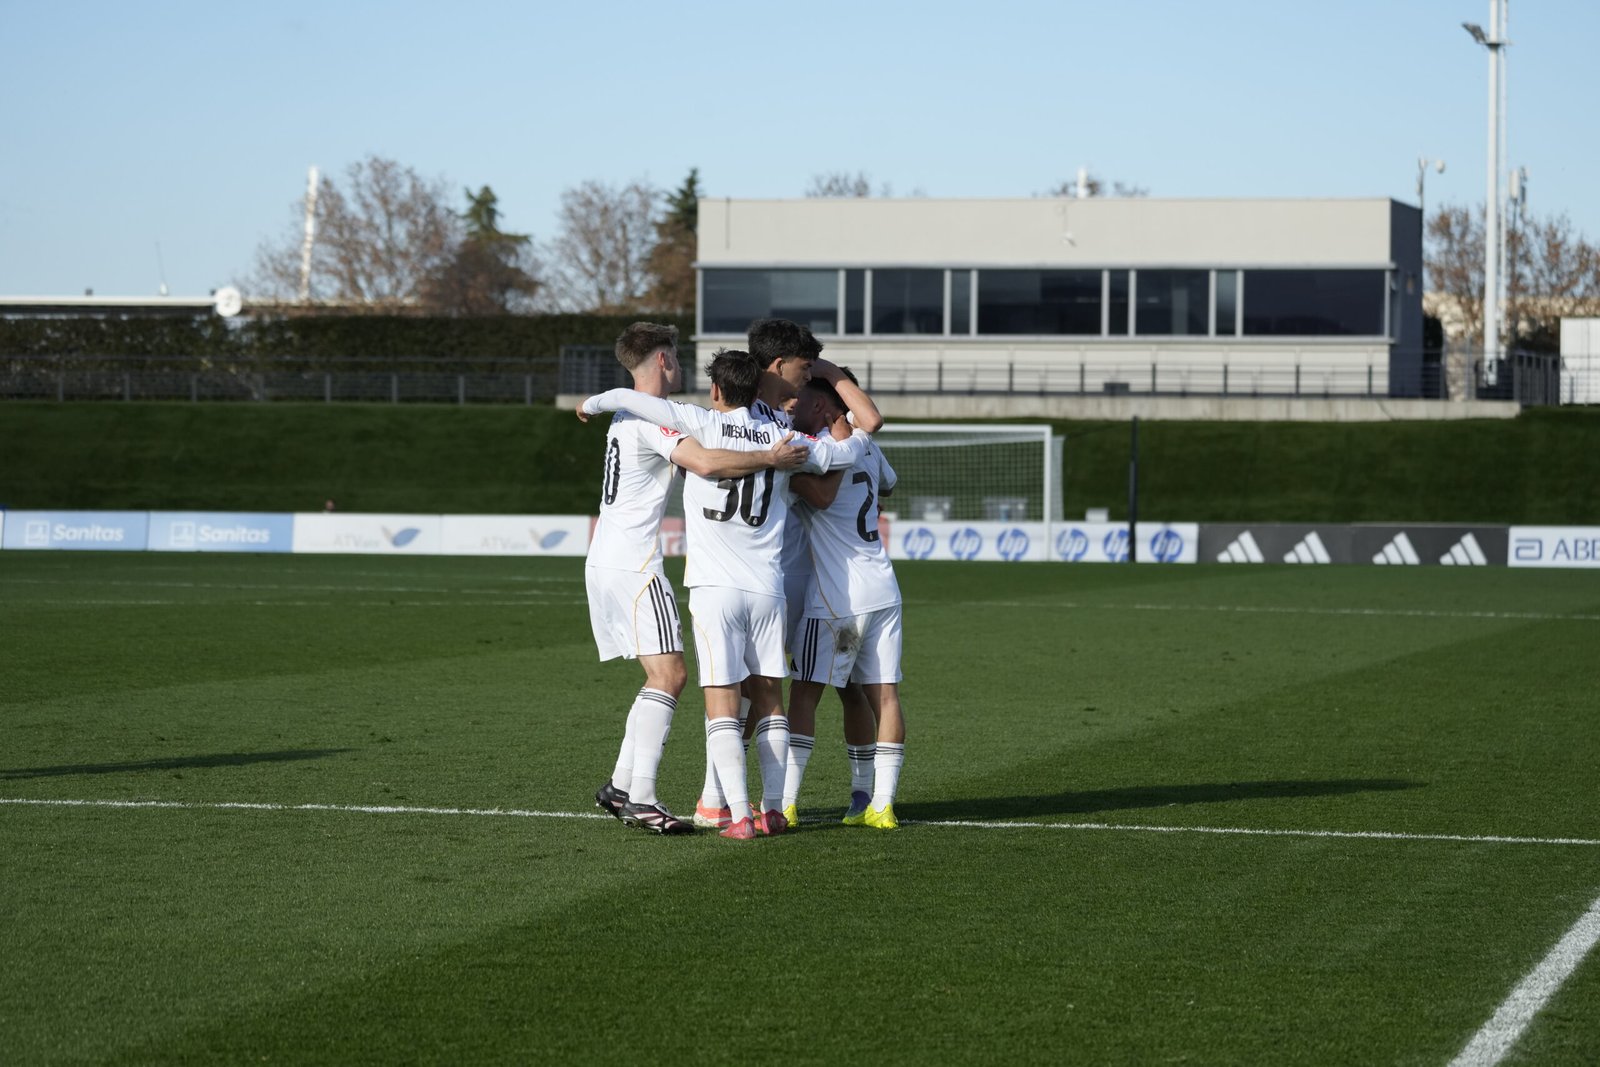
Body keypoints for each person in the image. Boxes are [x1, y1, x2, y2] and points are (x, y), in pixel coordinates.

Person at [580, 349, 871, 839]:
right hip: (768, 588)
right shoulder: (785, 437)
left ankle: (735, 815)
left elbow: (634, 401)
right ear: (759, 390)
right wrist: (854, 431)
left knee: (721, 703)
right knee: (770, 700)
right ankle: (774, 809)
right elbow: (844, 451)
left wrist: (592, 404)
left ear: (716, 390)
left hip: (715, 588)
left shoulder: (696, 421)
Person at [692, 318, 885, 829]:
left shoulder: (731, 417)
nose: (805, 383)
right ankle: (733, 796)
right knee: (762, 690)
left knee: (755, 690)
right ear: (778, 367)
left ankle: (726, 797)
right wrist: (837, 422)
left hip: (778, 575)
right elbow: (867, 429)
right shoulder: (781, 430)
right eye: (803, 369)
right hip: (783, 575)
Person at [782, 374, 907, 830]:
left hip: (837, 597)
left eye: (801, 399)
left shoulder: (817, 449)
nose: (791, 404)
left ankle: (785, 802)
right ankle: (877, 802)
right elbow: (889, 485)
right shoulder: (866, 445)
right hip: (883, 589)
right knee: (875, 696)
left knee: (803, 695)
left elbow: (820, 495)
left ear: (821, 407)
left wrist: (783, 473)